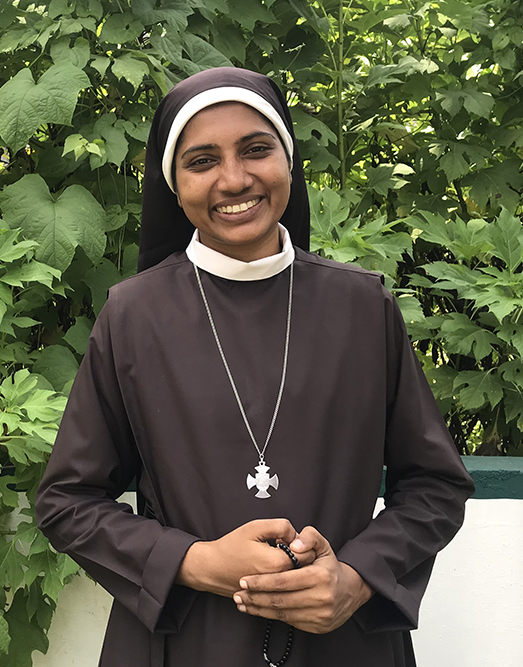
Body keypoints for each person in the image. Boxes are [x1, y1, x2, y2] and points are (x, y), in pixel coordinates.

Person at [35, 66, 474, 667]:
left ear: (288, 162)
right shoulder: (133, 316)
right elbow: (68, 501)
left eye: (256, 149)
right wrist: (195, 562)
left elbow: (435, 485)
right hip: (185, 645)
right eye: (201, 160)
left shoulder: (362, 306)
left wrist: (359, 576)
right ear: (173, 183)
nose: (234, 178)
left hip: (342, 646)